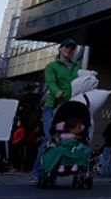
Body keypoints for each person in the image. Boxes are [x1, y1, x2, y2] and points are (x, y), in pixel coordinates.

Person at [31, 38, 81, 182]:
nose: (69, 50)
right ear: (60, 48)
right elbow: (51, 83)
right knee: (49, 137)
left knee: (66, 140)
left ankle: (54, 170)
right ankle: (37, 172)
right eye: (66, 47)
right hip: (53, 106)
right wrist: (57, 92)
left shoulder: (77, 67)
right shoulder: (52, 66)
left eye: (72, 48)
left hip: (70, 108)